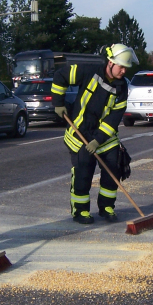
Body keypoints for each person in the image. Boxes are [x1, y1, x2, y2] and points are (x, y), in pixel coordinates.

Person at [51, 43, 136, 224]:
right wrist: (58, 102)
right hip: (79, 134)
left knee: (114, 168)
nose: (123, 71)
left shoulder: (122, 87)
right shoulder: (88, 71)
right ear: (110, 63)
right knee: (83, 172)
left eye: (125, 68)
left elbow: (114, 118)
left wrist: (98, 140)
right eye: (121, 67)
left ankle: (106, 207)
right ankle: (80, 211)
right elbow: (60, 76)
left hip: (104, 137)